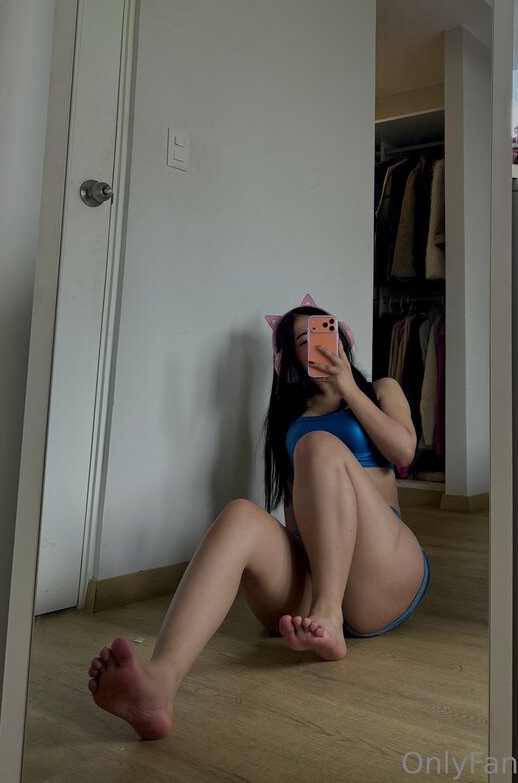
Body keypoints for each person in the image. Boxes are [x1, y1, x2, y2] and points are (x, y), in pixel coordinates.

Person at [86, 297, 431, 740]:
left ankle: (328, 615)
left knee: (317, 446)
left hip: (384, 572)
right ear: (288, 362)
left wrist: (347, 388)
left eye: (323, 333)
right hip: (319, 583)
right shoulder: (291, 423)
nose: (317, 346)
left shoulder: (381, 390)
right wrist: (286, 574)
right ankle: (160, 683)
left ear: (342, 338)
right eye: (303, 342)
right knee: (239, 515)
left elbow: (403, 451)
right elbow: (297, 514)